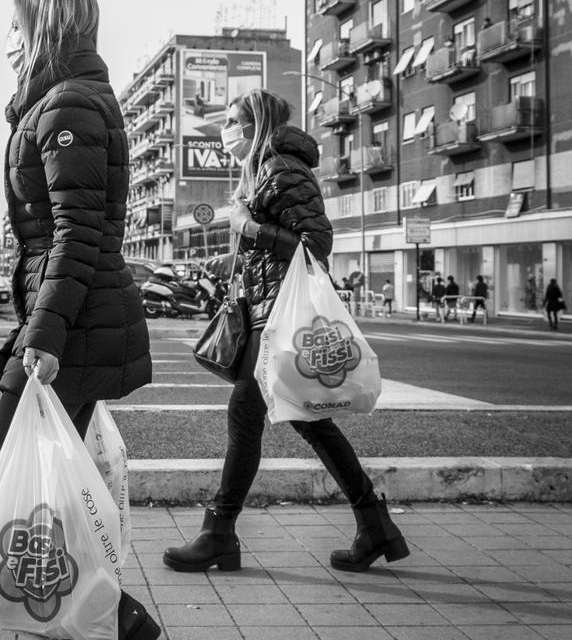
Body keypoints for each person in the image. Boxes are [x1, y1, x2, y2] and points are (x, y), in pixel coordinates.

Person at [0, 0, 158, 640]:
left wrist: (44, 334)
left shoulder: (71, 105)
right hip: (67, 319)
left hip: (78, 329)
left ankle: (112, 622)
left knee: (7, 474)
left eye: (16, 28)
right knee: (43, 494)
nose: (8, 42)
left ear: (46, 28)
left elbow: (78, 231)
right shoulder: (52, 104)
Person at [162, 88, 408, 581]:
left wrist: (248, 228)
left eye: (234, 120)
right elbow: (279, 250)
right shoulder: (266, 170)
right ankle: (373, 525)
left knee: (250, 418)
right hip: (266, 314)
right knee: (305, 421)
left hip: (278, 320)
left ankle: (219, 534)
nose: (226, 130)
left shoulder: (280, 168)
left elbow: (317, 244)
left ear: (257, 124)